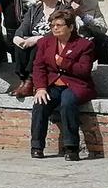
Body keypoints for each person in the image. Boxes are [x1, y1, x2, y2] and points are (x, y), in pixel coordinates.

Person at [28, 10, 95, 161]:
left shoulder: (84, 45)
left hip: (76, 84)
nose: (55, 28)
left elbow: (84, 70)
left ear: (70, 27)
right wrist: (40, 88)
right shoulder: (45, 43)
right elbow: (38, 67)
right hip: (53, 84)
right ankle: (37, 146)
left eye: (59, 25)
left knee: (68, 102)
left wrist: (64, 62)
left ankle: (71, 147)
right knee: (40, 103)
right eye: (52, 25)